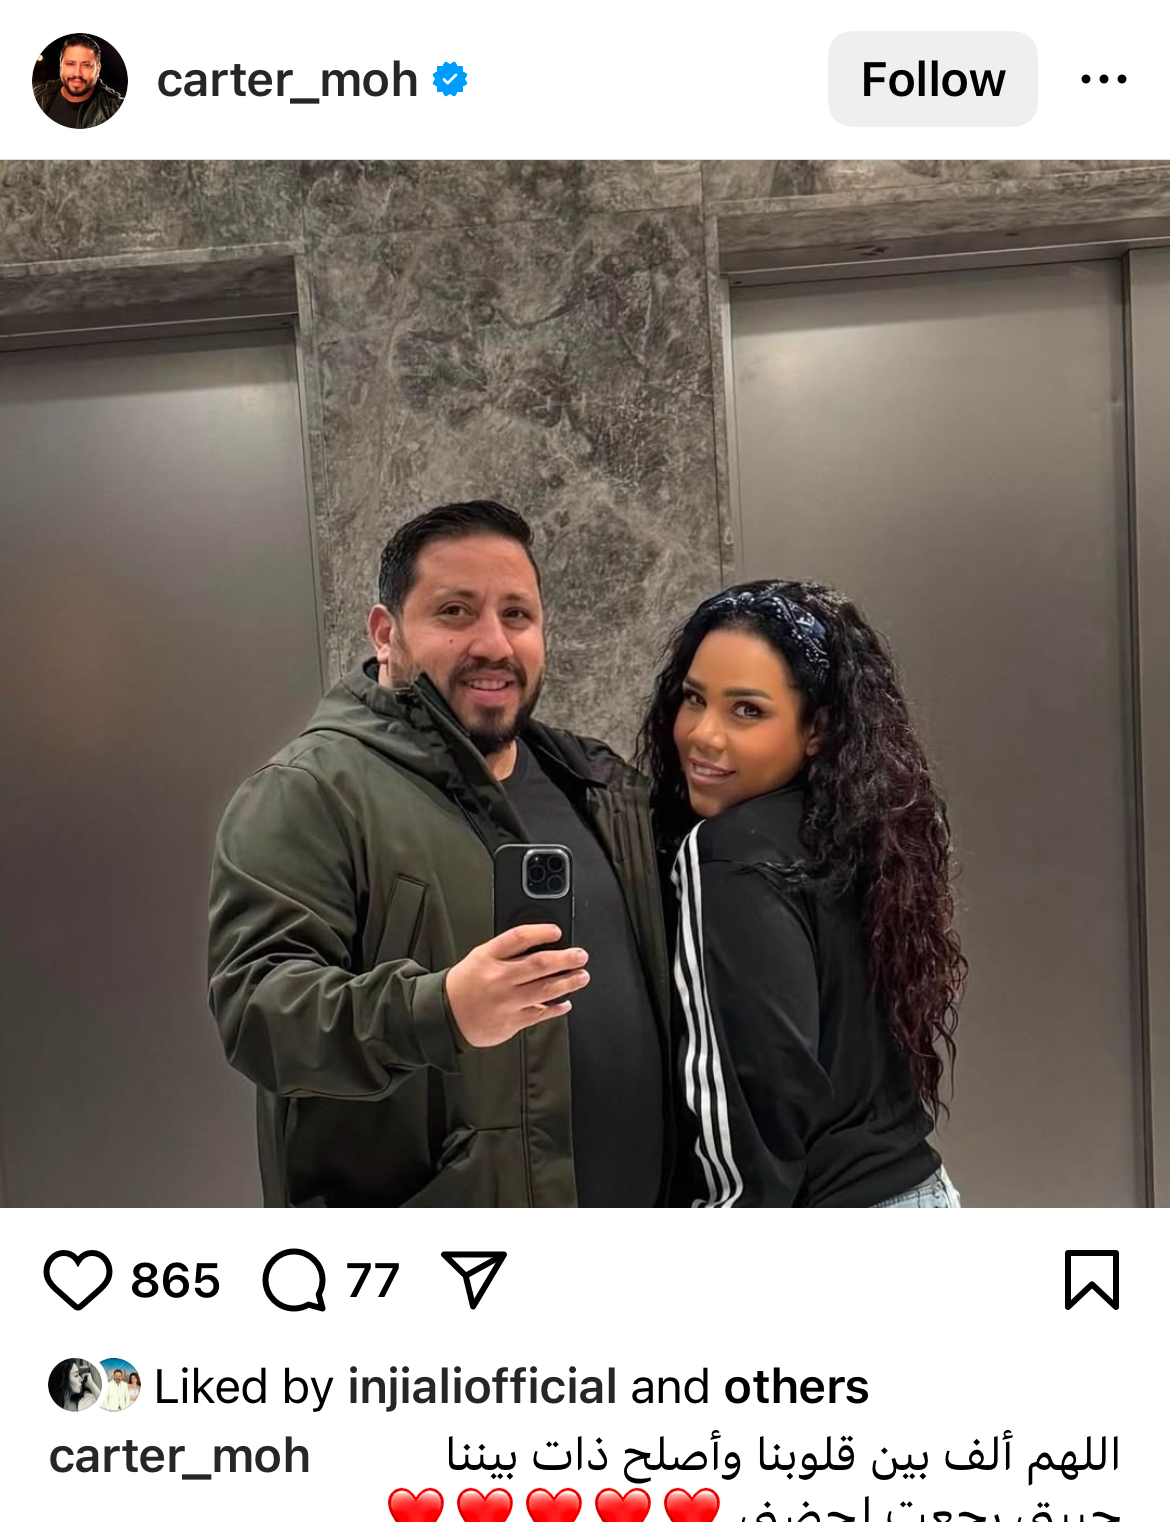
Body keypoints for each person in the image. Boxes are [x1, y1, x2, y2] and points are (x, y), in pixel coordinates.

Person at [208, 500, 671, 1207]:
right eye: (455, 612)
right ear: (385, 633)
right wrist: (442, 1011)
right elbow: (258, 1011)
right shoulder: (311, 793)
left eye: (517, 615)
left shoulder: (604, 788)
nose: (493, 643)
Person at [636, 580, 964, 1208]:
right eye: (694, 699)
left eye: (747, 710)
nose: (703, 735)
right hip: (923, 1196)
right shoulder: (863, 832)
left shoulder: (727, 854)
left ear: (818, 729)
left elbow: (757, 1099)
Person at [33, 36, 124, 129]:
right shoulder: (37, 95)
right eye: (70, 64)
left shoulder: (115, 108)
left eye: (86, 65)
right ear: (61, 66)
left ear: (97, 69)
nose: (77, 73)